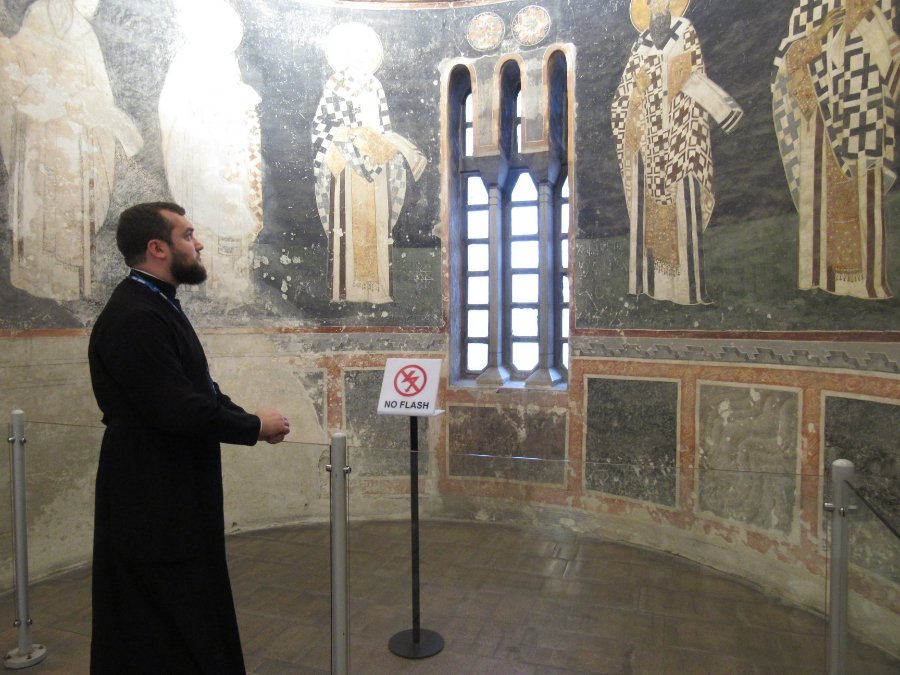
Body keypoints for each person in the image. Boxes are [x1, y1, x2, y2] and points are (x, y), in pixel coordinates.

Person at [88, 202, 290, 674]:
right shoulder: (136, 315)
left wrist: (246, 418)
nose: (198, 244)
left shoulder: (154, 302)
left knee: (188, 600)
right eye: (187, 235)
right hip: (151, 489)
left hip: (171, 479)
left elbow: (197, 388)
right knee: (162, 613)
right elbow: (177, 408)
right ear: (157, 248)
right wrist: (253, 428)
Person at [611, 0, 742, 305]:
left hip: (680, 136)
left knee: (684, 208)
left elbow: (692, 74)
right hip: (648, 145)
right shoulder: (640, 44)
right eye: (651, 1)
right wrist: (638, 91)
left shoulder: (684, 31)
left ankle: (689, 293)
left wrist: (667, 80)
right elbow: (621, 101)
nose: (657, 4)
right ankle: (649, 289)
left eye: (661, 0)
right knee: (649, 214)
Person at [772, 0, 898, 299]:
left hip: (861, 104)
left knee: (862, 189)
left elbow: (886, 43)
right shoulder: (806, 7)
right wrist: (819, 34)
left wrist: (859, 19)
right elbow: (787, 64)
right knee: (820, 196)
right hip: (817, 117)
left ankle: (868, 283)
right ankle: (819, 278)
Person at [312, 22, 426, 304]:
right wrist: (349, 137)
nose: (360, 55)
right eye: (355, 49)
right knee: (348, 226)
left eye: (365, 50)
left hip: (376, 163)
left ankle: (378, 291)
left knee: (376, 225)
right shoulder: (336, 83)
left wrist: (388, 145)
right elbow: (322, 124)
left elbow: (384, 127)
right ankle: (345, 290)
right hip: (347, 165)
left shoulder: (375, 85)